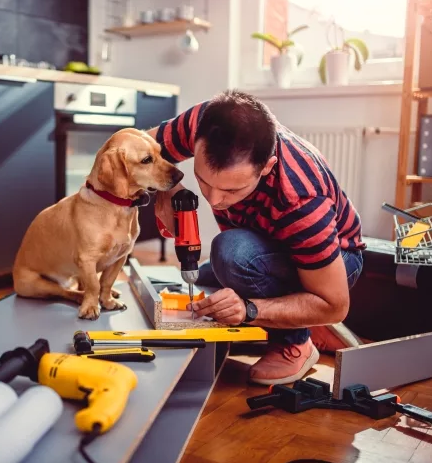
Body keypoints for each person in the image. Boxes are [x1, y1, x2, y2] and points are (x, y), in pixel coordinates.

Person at [147, 89, 365, 386]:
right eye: (203, 181)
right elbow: (138, 145)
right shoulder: (208, 121)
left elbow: (336, 305)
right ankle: (296, 318)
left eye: (232, 191)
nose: (213, 199)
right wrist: (167, 189)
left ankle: (297, 341)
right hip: (265, 246)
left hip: (337, 261)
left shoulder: (302, 199)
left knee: (231, 255)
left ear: (267, 167)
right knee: (204, 288)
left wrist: (249, 309)